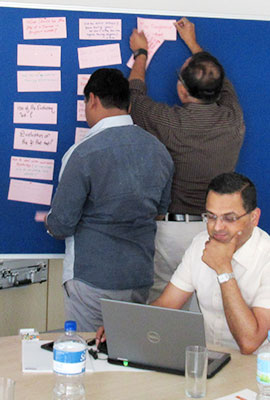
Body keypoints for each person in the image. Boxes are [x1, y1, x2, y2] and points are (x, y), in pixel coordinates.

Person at [45, 68, 174, 332]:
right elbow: (159, 213)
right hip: (139, 277)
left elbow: (61, 225)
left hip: (92, 280)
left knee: (89, 360)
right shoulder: (159, 151)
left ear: (92, 99)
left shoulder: (82, 154)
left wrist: (48, 220)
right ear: (127, 102)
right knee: (128, 356)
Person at [128, 17, 245, 303]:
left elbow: (134, 96)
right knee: (207, 310)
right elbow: (221, 80)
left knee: (164, 308)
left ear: (182, 90)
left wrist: (140, 54)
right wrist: (193, 43)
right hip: (217, 231)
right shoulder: (234, 120)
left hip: (172, 232)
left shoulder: (170, 123)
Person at [152, 172, 270, 353]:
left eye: (229, 218)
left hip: (257, 369)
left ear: (254, 218)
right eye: (211, 216)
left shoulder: (266, 256)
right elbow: (167, 305)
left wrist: (224, 271)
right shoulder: (200, 243)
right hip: (210, 359)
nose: (217, 227)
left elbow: (250, 342)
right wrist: (123, 327)